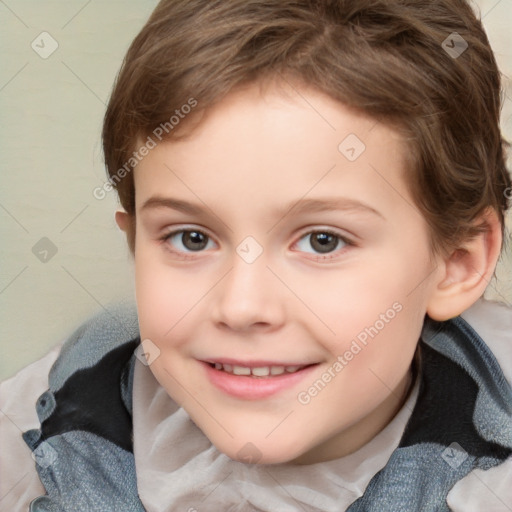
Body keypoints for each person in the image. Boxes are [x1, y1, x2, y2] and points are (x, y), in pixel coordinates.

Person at [1, 0, 511, 510]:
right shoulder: (54, 411)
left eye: (322, 241)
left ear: (457, 262)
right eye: (191, 238)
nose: (242, 307)